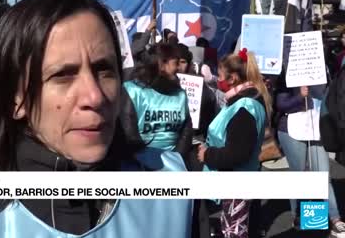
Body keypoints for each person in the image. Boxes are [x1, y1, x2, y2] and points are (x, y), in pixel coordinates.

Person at [0, 0, 193, 238]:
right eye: (63, 75)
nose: (94, 96)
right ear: (15, 98)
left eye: (105, 70)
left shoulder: (174, 192)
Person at [197, 49, 271, 238]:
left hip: (237, 182)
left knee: (234, 232)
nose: (218, 80)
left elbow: (236, 153)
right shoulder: (245, 100)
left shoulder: (244, 107)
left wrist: (207, 154)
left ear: (233, 78)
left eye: (221, 76)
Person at [275, 70, 345, 236]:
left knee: (323, 176)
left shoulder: (323, 69)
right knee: (300, 176)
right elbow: (280, 104)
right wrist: (300, 96)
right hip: (292, 129)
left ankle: (335, 219)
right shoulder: (286, 74)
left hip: (318, 127)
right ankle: (299, 218)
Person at [121, 43, 193, 166]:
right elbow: (129, 134)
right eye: (175, 63)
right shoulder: (133, 91)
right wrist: (146, 162)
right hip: (139, 164)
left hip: (172, 165)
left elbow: (186, 132)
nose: (179, 69)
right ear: (161, 64)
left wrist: (175, 159)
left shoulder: (180, 95)